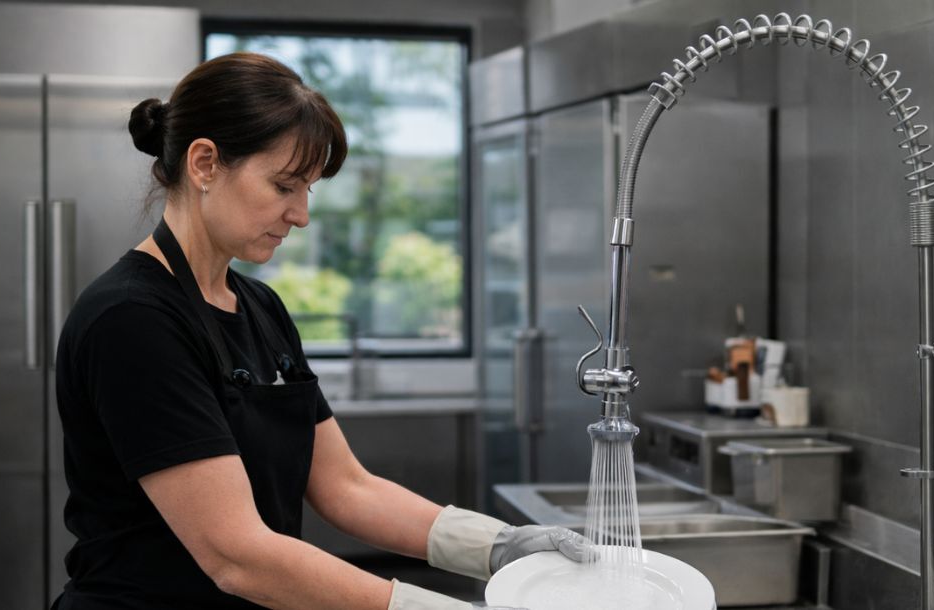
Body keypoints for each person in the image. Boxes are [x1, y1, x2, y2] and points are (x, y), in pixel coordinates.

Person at [52, 52, 590, 610]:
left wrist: (498, 547)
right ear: (205, 163)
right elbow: (236, 555)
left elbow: (345, 487)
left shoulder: (259, 307)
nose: (301, 215)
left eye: (307, 189)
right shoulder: (132, 319)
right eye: (284, 185)